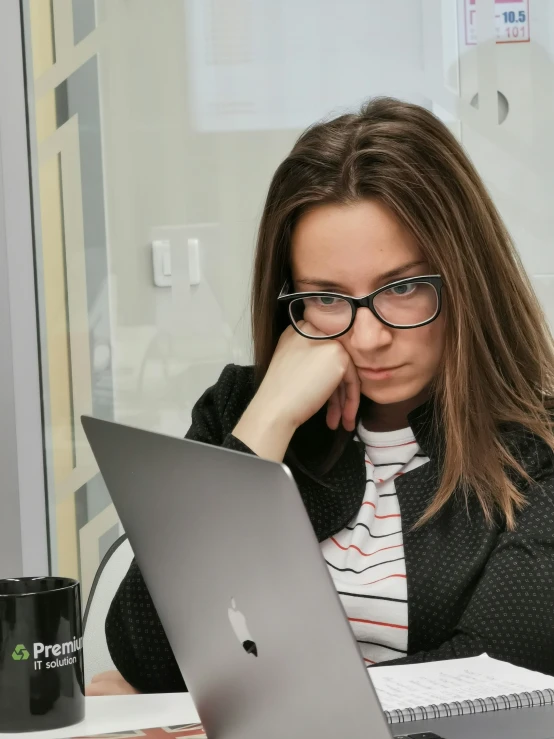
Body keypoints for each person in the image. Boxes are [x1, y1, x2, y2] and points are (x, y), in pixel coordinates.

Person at [87, 97, 554, 697]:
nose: (369, 337)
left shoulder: (537, 452)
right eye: (328, 297)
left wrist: (244, 700)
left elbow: (491, 684)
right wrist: (266, 424)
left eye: (404, 287)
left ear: (466, 278)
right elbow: (146, 657)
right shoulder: (239, 409)